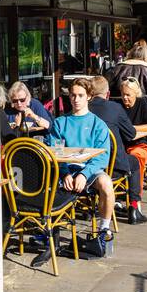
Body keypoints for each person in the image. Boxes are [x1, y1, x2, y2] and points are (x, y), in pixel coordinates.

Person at [44, 79, 114, 259]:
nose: (76, 99)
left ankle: (104, 229)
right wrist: (65, 172)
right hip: (65, 171)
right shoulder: (60, 123)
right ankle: (47, 232)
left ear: (89, 96)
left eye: (80, 95)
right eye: (73, 95)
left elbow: (102, 157)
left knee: (106, 183)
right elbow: (55, 153)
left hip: (89, 170)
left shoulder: (98, 124)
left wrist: (84, 174)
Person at [88, 76, 147, 224]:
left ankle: (90, 207)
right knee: (133, 162)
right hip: (111, 167)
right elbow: (131, 134)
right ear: (107, 94)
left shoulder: (83, 109)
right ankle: (134, 207)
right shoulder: (115, 108)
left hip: (87, 165)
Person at [108, 42, 147, 128]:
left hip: (120, 115)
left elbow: (108, 91)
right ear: (146, 56)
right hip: (142, 115)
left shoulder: (117, 68)